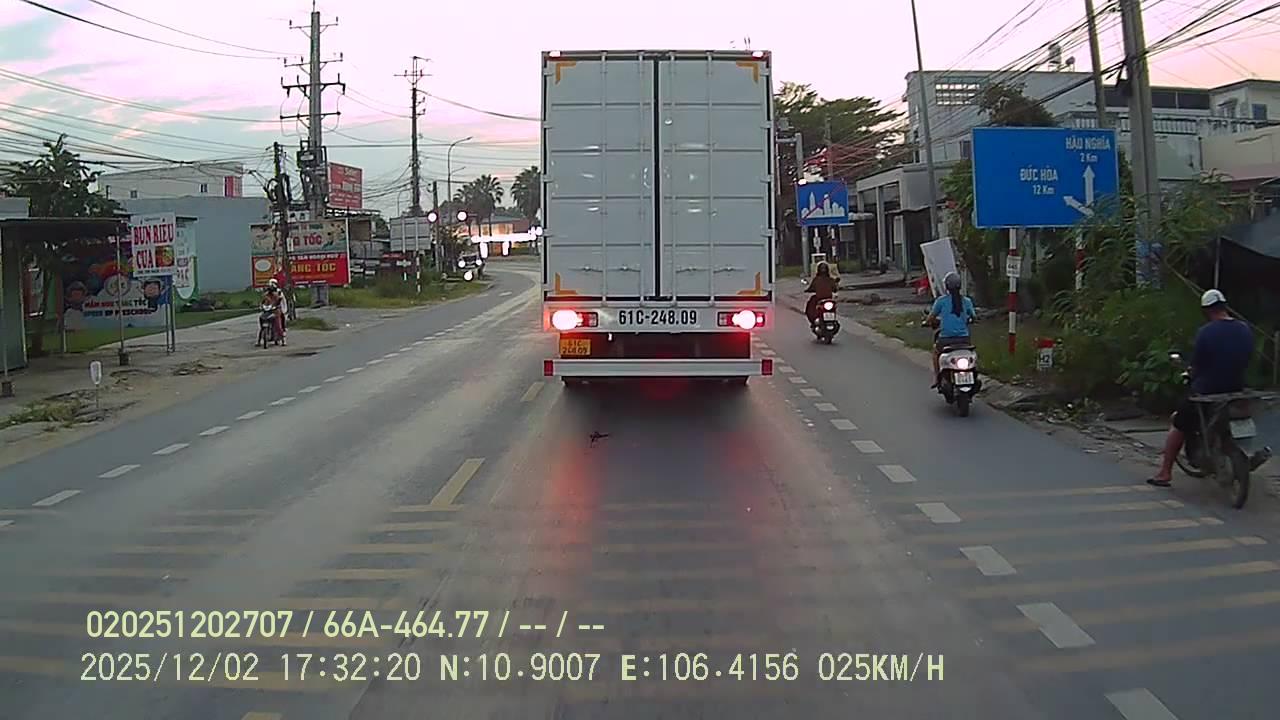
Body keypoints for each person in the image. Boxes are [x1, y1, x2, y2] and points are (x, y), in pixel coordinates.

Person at [1148, 289, 1255, 487]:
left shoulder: (1206, 332)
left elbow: (1196, 365)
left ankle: (1164, 473)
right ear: (1224, 306)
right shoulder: (1244, 329)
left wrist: (1191, 373)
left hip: (1207, 391)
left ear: (1206, 310)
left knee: (1179, 423)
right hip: (1237, 388)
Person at [924, 272, 976, 387]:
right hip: (964, 339)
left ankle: (937, 378)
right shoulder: (967, 301)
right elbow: (974, 317)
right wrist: (969, 320)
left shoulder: (941, 301)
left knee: (936, 353)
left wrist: (926, 322)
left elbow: (931, 317)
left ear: (946, 286)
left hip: (946, 339)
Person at [263, 279, 286, 346]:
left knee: (278, 325)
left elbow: (281, 301)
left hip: (276, 310)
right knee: (262, 320)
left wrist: (279, 306)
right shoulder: (266, 295)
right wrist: (262, 306)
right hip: (268, 311)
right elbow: (263, 302)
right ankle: (259, 339)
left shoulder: (278, 293)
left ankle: (283, 339)